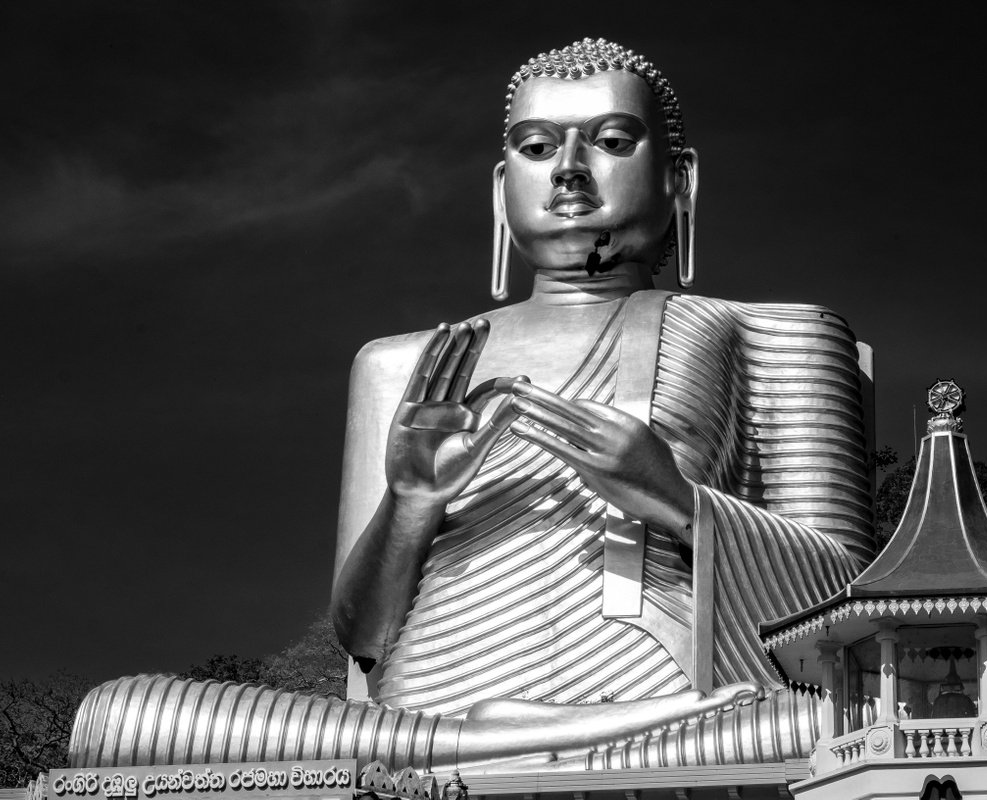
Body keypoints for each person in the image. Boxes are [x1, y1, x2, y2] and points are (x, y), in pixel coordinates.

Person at [69, 38, 875, 773]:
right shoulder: (402, 363)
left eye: (612, 140)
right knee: (120, 717)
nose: (567, 169)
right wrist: (413, 501)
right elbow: (364, 639)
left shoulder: (769, 335)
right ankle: (477, 743)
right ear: (501, 186)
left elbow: (852, 615)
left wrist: (676, 502)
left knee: (856, 717)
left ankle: (485, 745)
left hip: (679, 705)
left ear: (680, 176)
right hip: (430, 705)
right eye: (535, 147)